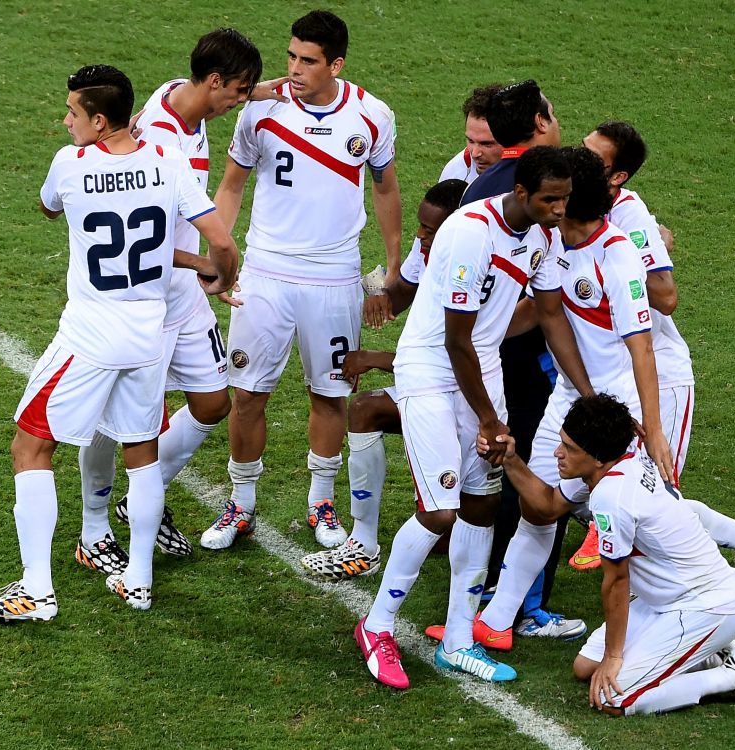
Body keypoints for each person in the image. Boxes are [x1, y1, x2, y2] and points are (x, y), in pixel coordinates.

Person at [0, 65, 237, 620]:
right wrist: (221, 276)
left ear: (98, 120)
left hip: (91, 332)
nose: (65, 121)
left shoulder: (70, 165)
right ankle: (138, 580)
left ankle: (36, 589)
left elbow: (48, 207)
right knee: (141, 454)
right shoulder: (168, 162)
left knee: (30, 447)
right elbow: (221, 243)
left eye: (72, 112)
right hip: (148, 332)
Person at [354, 148, 574, 689]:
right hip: (432, 369)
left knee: (481, 507)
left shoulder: (543, 237)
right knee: (440, 512)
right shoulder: (471, 232)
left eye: (565, 199)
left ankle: (457, 641)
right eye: (551, 199)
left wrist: (586, 393)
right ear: (521, 192)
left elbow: (547, 313)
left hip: (484, 369)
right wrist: (490, 420)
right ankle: (377, 627)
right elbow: (456, 340)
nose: (560, 209)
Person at [206, 9, 402, 551]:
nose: (294, 68)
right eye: (290, 56)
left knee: (331, 394)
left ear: (335, 63)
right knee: (247, 394)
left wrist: (391, 265)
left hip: (335, 279)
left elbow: (385, 189)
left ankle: (321, 500)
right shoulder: (260, 111)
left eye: (308, 61)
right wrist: (217, 255)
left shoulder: (372, 115)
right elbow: (231, 184)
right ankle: (240, 503)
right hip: (265, 275)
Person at [73, 29, 265, 576]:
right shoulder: (156, 139)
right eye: (240, 91)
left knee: (211, 403)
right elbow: (148, 244)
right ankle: (93, 530)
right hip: (145, 297)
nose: (242, 101)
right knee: (121, 422)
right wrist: (209, 265)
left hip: (185, 297)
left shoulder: (181, 98)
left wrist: (284, 87)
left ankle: (142, 500)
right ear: (214, 82)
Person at [571, 122, 735, 592]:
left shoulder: (626, 214)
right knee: (578, 489)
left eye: (595, 158)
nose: (581, 159)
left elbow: (666, 297)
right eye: (582, 149)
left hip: (658, 371)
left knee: (653, 500)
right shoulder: (571, 201)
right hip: (608, 370)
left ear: (618, 177)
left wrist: (626, 248)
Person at [471, 146, 674, 653]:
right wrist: (477, 341)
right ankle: (496, 621)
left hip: (612, 412)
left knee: (641, 527)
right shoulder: (549, 239)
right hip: (568, 397)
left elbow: (642, 347)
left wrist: (652, 427)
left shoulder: (617, 254)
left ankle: (685, 616)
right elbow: (542, 310)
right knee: (538, 509)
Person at [487, 394, 735, 714]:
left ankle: (732, 677)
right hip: (663, 600)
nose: (557, 454)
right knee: (584, 667)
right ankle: (703, 651)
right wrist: (510, 458)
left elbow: (616, 581)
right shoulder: (625, 451)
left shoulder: (612, 497)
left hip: (705, 607)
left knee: (612, 699)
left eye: (570, 449)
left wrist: (614, 657)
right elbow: (547, 506)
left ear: (599, 459)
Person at [300, 178, 466, 579]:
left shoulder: (468, 275)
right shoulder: (434, 252)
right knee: (366, 409)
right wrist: (369, 295)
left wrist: (374, 358)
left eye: (429, 231)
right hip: (439, 384)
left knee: (451, 521)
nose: (419, 237)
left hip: (464, 394)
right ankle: (363, 542)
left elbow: (451, 354)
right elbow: (401, 291)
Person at [458, 79, 576, 639]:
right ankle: (522, 606)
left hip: (474, 353)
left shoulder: (478, 187)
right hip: (519, 359)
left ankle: (478, 585)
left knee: (488, 469)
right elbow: (550, 298)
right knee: (527, 473)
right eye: (550, 114)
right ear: (537, 124)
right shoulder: (548, 195)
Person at [439, 84, 504, 186]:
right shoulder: (455, 174)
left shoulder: (535, 170)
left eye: (486, 144)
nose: (475, 153)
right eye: (471, 141)